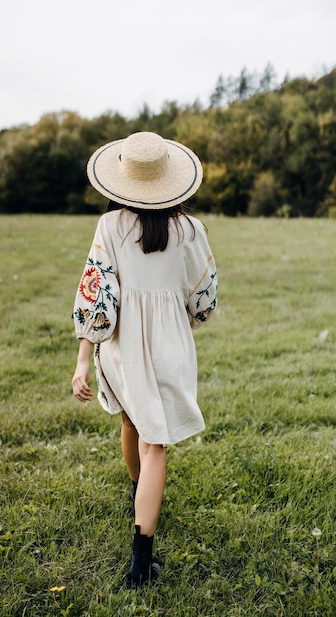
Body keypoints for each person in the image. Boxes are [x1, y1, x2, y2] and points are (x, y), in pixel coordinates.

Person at [72, 131, 217, 588]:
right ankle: (140, 562)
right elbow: (205, 298)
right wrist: (177, 316)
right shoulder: (191, 230)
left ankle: (140, 498)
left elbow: (96, 298)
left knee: (133, 423)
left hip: (121, 348)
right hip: (171, 347)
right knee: (156, 444)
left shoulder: (110, 226)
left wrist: (82, 360)